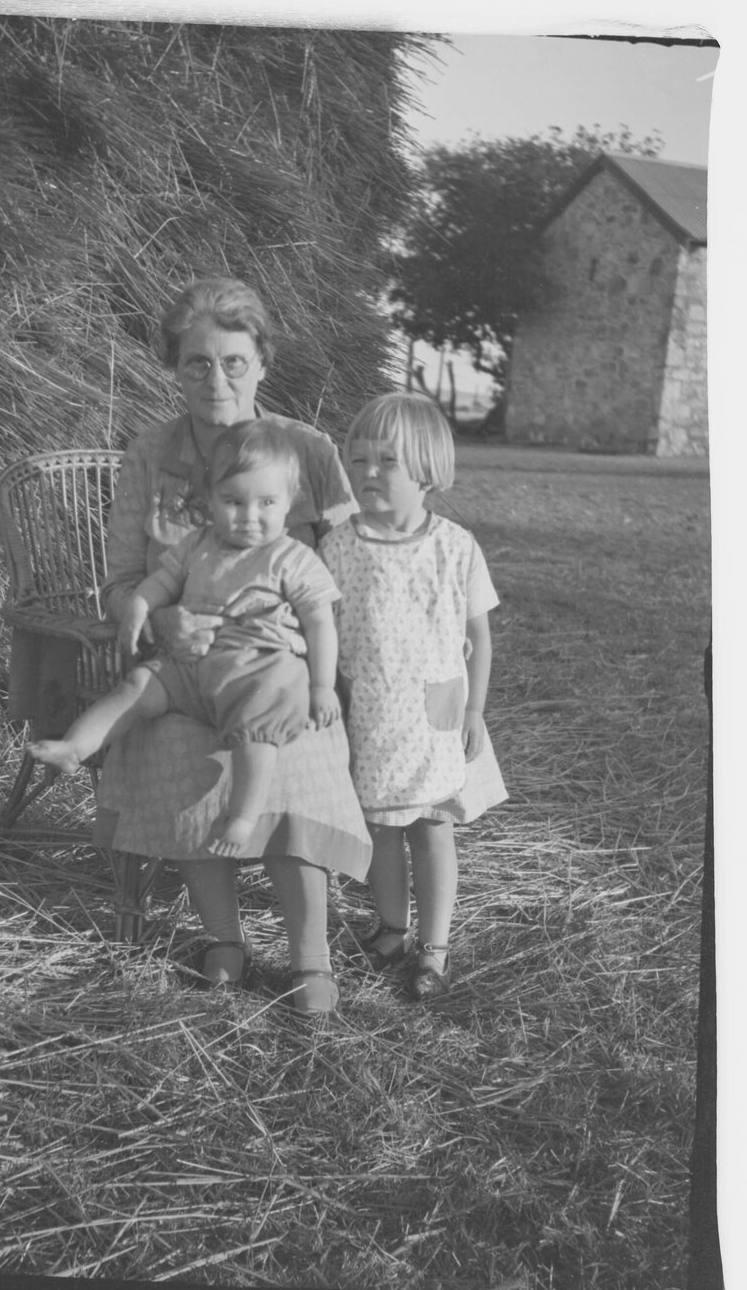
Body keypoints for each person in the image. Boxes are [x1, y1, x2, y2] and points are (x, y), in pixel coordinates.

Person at [89, 277, 371, 1015]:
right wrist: (156, 620)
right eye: (196, 364)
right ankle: (225, 939)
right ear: (174, 368)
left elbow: (353, 577)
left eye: (234, 362)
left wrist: (335, 682)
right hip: (186, 665)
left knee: (297, 759)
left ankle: (310, 959)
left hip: (286, 670)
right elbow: (119, 582)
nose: (216, 380)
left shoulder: (307, 450)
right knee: (180, 748)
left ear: (263, 363)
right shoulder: (151, 451)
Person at [27, 420, 341, 858]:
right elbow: (162, 581)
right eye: (234, 501)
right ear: (211, 500)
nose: (250, 516)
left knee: (257, 731)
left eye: (266, 502)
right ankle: (75, 747)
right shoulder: (199, 545)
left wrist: (321, 686)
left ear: (290, 502)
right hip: (193, 669)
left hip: (260, 669)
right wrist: (139, 605)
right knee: (137, 686)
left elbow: (320, 622)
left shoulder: (292, 558)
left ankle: (242, 818)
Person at [320, 392, 507, 1000]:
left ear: (427, 473)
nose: (368, 473)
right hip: (370, 713)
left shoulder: (455, 546)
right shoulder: (340, 546)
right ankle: (393, 927)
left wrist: (475, 708)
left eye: (387, 462)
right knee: (379, 827)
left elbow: (477, 633)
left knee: (431, 826)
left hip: (434, 718)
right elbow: (322, 626)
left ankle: (435, 944)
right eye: (359, 459)